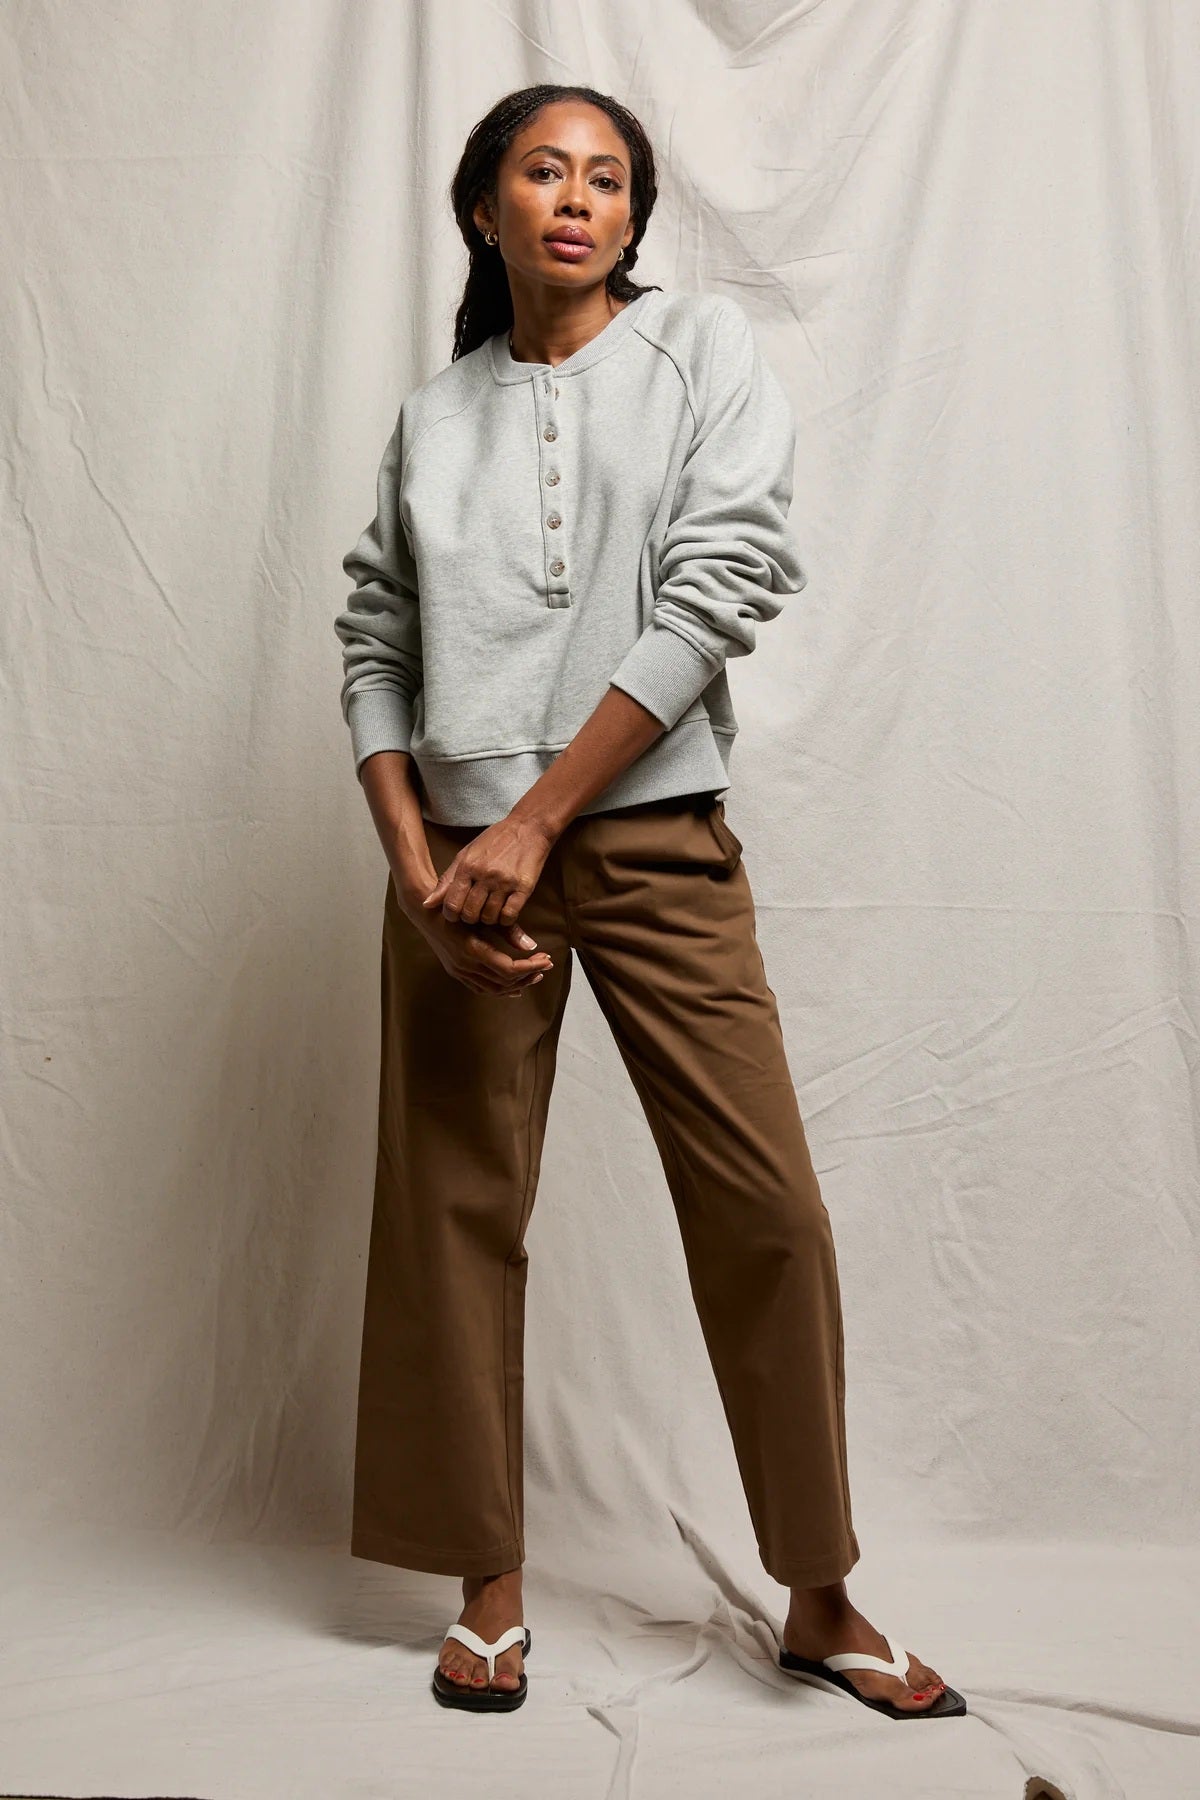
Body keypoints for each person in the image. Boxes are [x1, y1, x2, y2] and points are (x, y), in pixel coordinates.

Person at [333, 82, 965, 1722]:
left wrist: (537, 819)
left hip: (643, 835)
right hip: (457, 873)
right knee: (456, 1212)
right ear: (483, 207)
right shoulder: (433, 419)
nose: (577, 199)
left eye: (607, 179)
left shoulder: (699, 356)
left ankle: (817, 1592)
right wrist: (418, 865)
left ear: (632, 218)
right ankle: (487, 1582)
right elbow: (376, 641)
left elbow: (724, 579)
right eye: (544, 171)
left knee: (768, 1209)